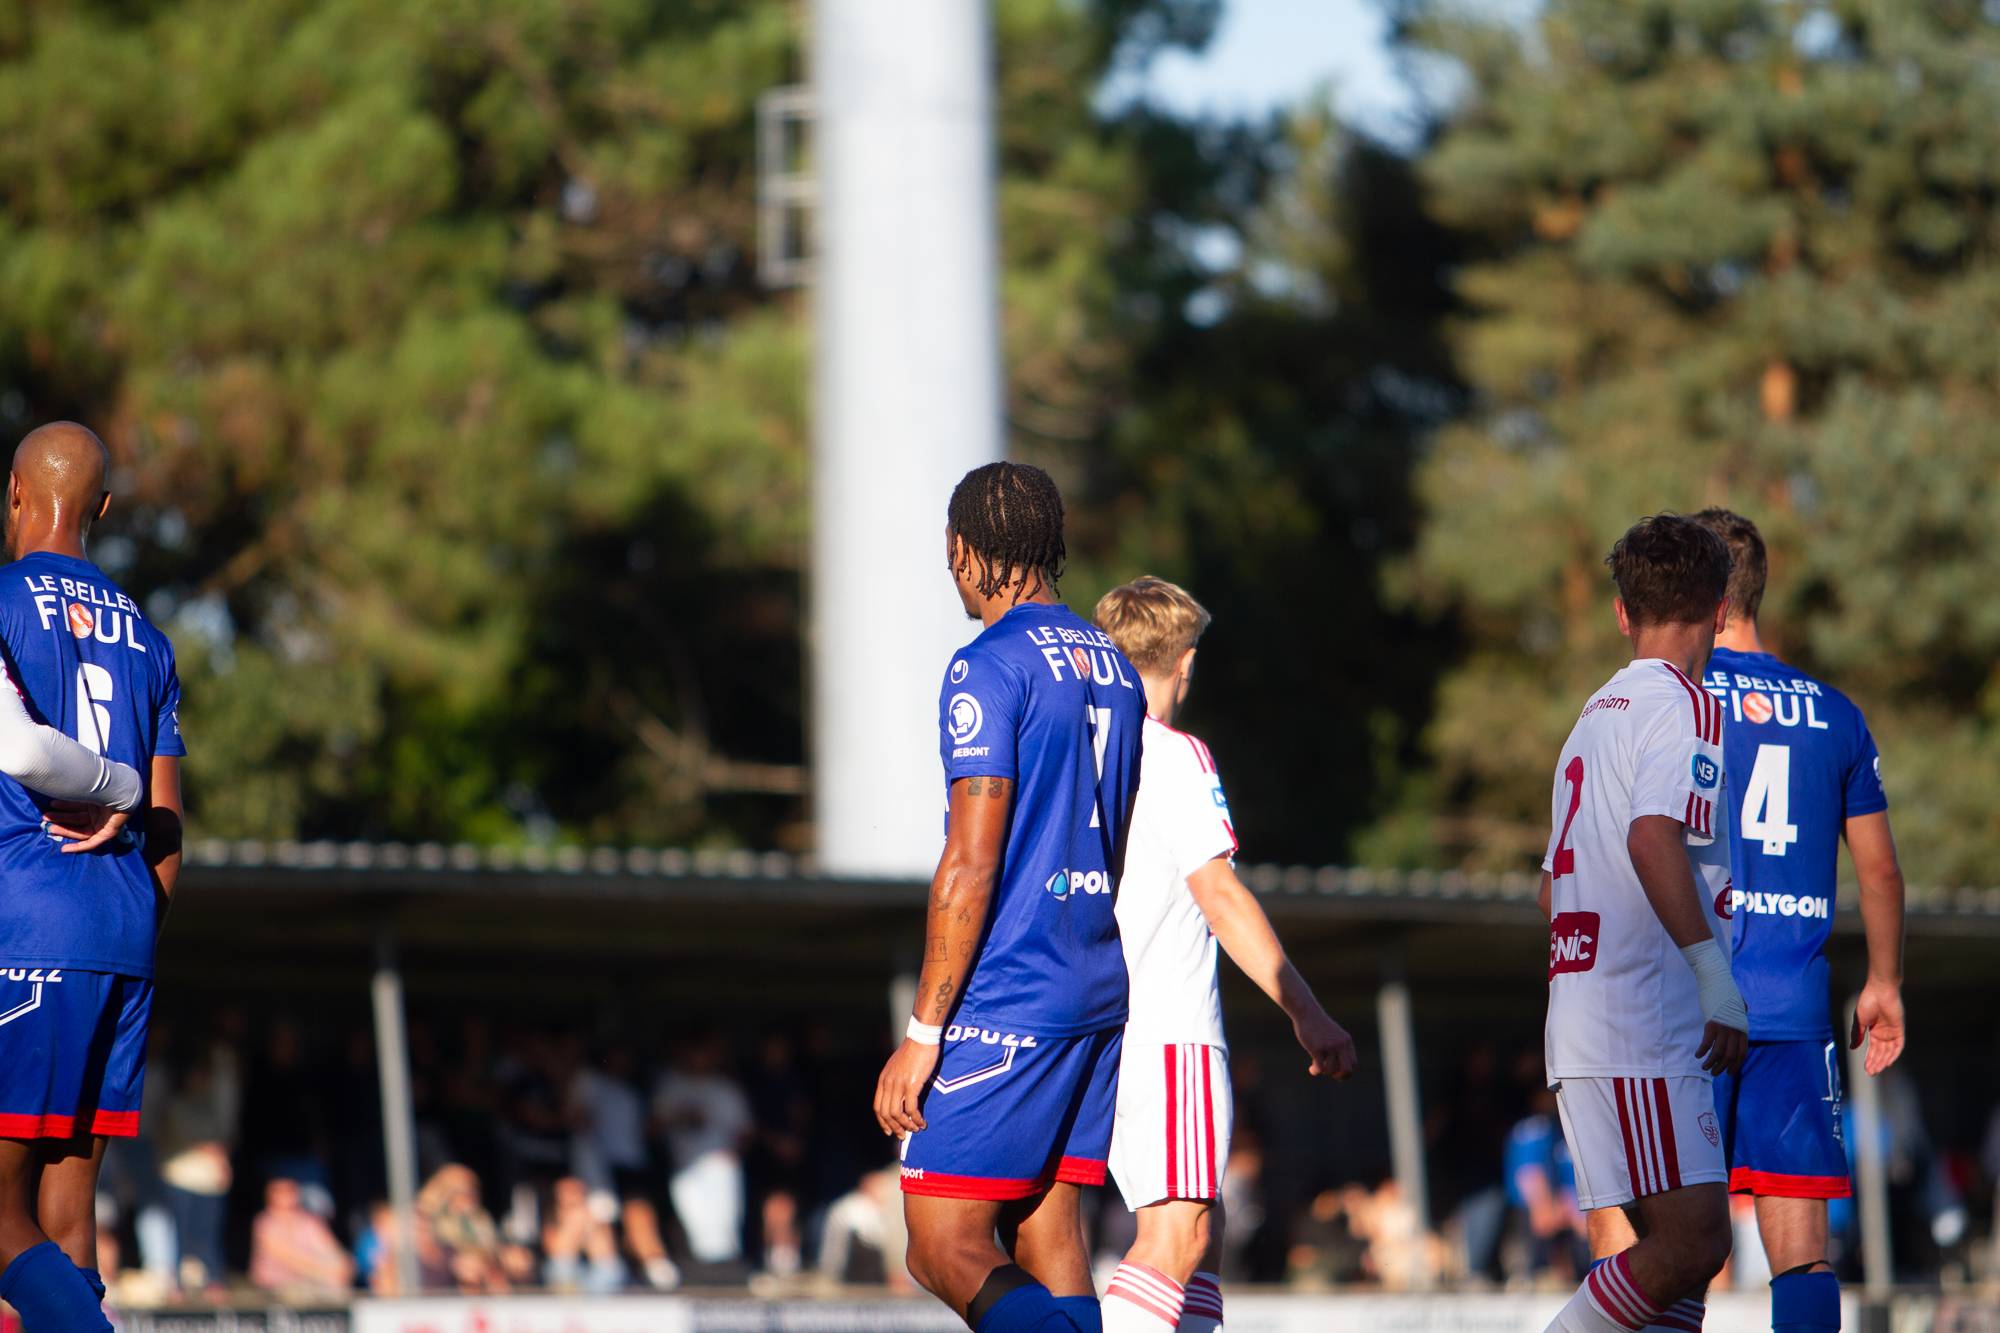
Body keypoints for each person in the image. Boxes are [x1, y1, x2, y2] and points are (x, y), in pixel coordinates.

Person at [872, 461, 1144, 1333]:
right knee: (1048, 1231)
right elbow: (1114, 837)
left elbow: (969, 862)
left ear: (963, 550)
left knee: (940, 1241)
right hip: (1096, 980)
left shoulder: (985, 665)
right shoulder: (1115, 665)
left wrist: (922, 1034)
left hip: (1012, 990)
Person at [1089, 575, 1356, 1332]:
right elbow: (1221, 894)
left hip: (1096, 1022)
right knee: (1178, 1236)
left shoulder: (1076, 755)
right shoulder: (1173, 754)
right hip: (1168, 1025)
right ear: (1187, 662)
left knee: (1197, 1250)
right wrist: (1308, 1014)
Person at [1685, 508, 1906, 1332]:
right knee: (1802, 1246)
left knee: (1675, 1240)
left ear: (1701, 592)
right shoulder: (1836, 713)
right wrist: (1884, 981)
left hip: (1697, 1002)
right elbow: (1880, 867)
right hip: (1795, 1003)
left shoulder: (1679, 697)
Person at [1537, 513, 1750, 1333]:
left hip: (1594, 1014)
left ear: (1623, 614)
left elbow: (1552, 879)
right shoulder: (1684, 704)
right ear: (1722, 608)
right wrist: (1713, 976)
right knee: (1696, 1242)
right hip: (1642, 1023)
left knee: (1668, 1277)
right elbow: (1651, 833)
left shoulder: (1591, 715)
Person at [0, 422, 186, 1333]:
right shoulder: (151, 642)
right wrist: (124, 931)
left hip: (26, 927)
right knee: (69, 1215)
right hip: (124, 931)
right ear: (104, 509)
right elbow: (167, 828)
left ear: (15, 497)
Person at [652, 1030, 753, 1268]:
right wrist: (680, 1117)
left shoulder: (727, 1090)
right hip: (684, 1165)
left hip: (720, 1165)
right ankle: (696, 1270)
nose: (699, 1058)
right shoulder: (671, 1085)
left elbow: (746, 1131)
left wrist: (734, 1153)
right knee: (691, 1220)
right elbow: (650, 1127)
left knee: (722, 1224)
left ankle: (724, 1274)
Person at [248, 1176, 355, 1301]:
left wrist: (343, 1265)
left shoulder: (309, 1221)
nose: (286, 1195)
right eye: (280, 1191)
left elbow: (330, 1248)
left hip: (311, 1282)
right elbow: (290, 1259)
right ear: (270, 1194)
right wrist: (325, 1273)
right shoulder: (264, 1223)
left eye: (290, 1190)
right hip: (274, 1288)